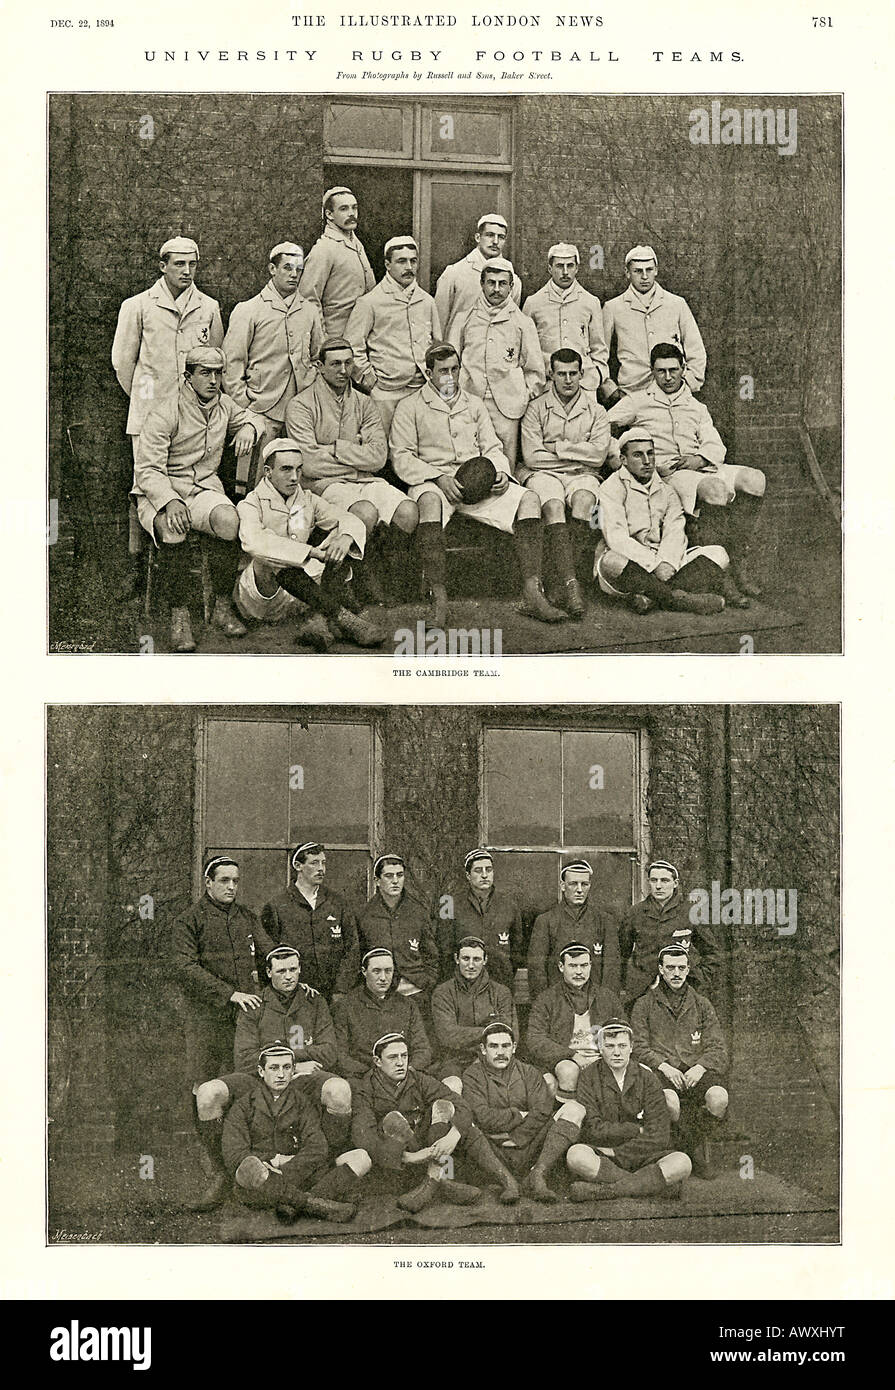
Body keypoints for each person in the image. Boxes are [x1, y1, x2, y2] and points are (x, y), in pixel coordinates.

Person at [390, 342, 567, 628]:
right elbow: (401, 456)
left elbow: (492, 446)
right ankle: (439, 597)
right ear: (428, 372)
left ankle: (533, 591)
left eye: (454, 369)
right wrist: (438, 477)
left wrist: (499, 472)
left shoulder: (473, 404)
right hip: (434, 481)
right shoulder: (409, 407)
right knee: (428, 502)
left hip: (476, 482)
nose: (450, 376)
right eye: (443, 371)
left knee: (529, 499)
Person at [190, 945, 351, 1211]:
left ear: (300, 970)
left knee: (339, 1091)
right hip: (258, 1077)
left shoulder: (314, 1001)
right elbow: (244, 1059)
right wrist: (292, 1063)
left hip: (302, 1077)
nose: (288, 976)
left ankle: (322, 1169)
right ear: (268, 972)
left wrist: (288, 1064)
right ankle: (223, 1173)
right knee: (208, 1093)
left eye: (293, 970)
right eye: (281, 971)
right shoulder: (253, 1005)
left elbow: (330, 1050)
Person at [131, 345, 263, 649]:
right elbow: (147, 469)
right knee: (175, 527)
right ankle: (180, 616)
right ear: (188, 376)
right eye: (205, 372)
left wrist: (248, 429)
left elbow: (256, 419)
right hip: (160, 492)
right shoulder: (166, 411)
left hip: (203, 489)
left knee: (230, 520)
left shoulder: (226, 406)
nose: (213, 380)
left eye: (218, 373)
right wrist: (169, 500)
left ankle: (220, 607)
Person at [607, 344, 766, 595]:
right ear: (652, 372)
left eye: (673, 370)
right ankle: (723, 578)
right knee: (716, 490)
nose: (668, 377)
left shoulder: (695, 405)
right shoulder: (638, 402)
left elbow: (714, 442)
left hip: (703, 464)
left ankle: (738, 563)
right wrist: (622, 459)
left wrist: (700, 459)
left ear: (683, 369)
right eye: (661, 371)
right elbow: (602, 427)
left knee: (755, 480)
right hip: (672, 473)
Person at [172, 854, 275, 1204]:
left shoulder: (247, 917)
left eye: (235, 881)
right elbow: (185, 967)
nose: (231, 887)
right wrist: (229, 994)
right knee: (204, 1088)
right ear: (208, 882)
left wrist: (287, 977)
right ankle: (216, 1170)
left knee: (244, 1086)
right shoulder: (190, 921)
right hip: (206, 1019)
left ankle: (244, 1168)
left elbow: (270, 957)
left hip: (245, 1021)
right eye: (224, 880)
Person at [285, 337, 418, 605]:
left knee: (408, 511)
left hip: (364, 479)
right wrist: (357, 453)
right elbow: (308, 464)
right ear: (319, 366)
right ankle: (357, 581)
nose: (343, 370)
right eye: (335, 364)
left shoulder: (364, 402)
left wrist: (335, 448)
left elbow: (379, 457)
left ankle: (379, 573)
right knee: (365, 511)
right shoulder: (300, 405)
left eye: (348, 363)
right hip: (323, 484)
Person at [234, 438, 384, 649]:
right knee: (273, 553)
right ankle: (343, 617)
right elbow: (254, 542)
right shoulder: (251, 502)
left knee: (340, 535)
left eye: (298, 469)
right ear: (268, 472)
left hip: (304, 593)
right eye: (286, 469)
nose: (294, 477)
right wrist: (313, 552)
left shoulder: (306, 499)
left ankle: (324, 619)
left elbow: (349, 520)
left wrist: (344, 538)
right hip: (265, 597)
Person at [595, 426, 743, 615]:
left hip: (664, 562)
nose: (647, 461)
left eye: (650, 454)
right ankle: (679, 600)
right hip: (633, 564)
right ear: (623, 460)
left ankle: (653, 597)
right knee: (610, 561)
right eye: (638, 455)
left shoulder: (666, 489)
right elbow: (616, 537)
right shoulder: (611, 488)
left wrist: (667, 562)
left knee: (719, 553)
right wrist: (654, 564)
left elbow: (675, 532)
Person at [351, 1032, 503, 1211]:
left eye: (404, 1056)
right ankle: (442, 1182)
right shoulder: (365, 1087)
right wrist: (409, 1157)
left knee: (444, 1105)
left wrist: (452, 1137)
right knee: (393, 1120)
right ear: (377, 1061)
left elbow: (460, 1104)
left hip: (430, 1151)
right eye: (392, 1057)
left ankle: (436, 1179)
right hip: (399, 1162)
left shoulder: (418, 1078)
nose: (400, 1063)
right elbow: (364, 1136)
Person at [221, 1042, 370, 1223]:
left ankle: (293, 1204)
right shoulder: (243, 1106)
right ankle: (312, 1204)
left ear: (293, 1071)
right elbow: (234, 1155)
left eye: (286, 1067)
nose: (281, 1074)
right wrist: (274, 1159)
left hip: (298, 1172)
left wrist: (288, 1171)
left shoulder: (303, 1103)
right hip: (263, 1178)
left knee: (361, 1158)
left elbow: (318, 1147)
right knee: (251, 1168)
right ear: (261, 1072)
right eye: (274, 1068)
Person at [222, 241, 325, 494]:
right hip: (262, 408)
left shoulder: (310, 311)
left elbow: (317, 355)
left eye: (298, 269)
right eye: (287, 268)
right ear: (272, 269)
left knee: (296, 479)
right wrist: (247, 406)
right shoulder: (249, 310)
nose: (293, 274)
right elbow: (231, 364)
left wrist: (309, 389)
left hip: (299, 410)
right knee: (255, 482)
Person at [519, 346, 613, 615]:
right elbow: (532, 457)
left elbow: (597, 457)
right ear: (551, 374)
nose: (568, 380)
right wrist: (575, 454)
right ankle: (568, 584)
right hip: (543, 474)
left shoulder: (596, 411)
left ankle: (568, 582)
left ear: (582, 374)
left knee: (585, 502)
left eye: (573, 373)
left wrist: (556, 447)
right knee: (552, 506)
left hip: (583, 475)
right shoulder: (536, 408)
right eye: (562, 374)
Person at [112, 235, 223, 456]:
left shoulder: (209, 307)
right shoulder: (138, 306)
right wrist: (147, 396)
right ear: (163, 266)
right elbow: (123, 364)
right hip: (149, 412)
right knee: (148, 481)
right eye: (179, 264)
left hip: (192, 415)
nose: (187, 271)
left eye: (192, 264)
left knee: (188, 482)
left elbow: (214, 359)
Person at [630, 945, 729, 1178]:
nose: (676, 973)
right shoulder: (644, 1004)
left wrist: (700, 1066)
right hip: (660, 1071)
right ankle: (689, 1155)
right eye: (671, 968)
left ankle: (686, 1149)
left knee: (718, 1097)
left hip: (695, 1070)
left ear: (688, 970)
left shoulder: (702, 1004)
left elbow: (718, 1048)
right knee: (670, 1101)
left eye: (681, 968)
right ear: (661, 970)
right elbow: (638, 1047)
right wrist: (663, 1065)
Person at [566, 1019, 692, 1200]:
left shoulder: (647, 1078)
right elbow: (593, 1129)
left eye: (622, 1045)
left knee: (682, 1162)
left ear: (631, 1047)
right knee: (576, 1155)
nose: (617, 1052)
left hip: (642, 1155)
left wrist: (619, 1152)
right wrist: (634, 1129)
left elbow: (659, 1135)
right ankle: (652, 1188)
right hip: (604, 1155)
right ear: (600, 1048)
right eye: (609, 1046)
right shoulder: (588, 1077)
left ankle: (608, 1191)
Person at [461, 1023, 582, 1203]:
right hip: (492, 1148)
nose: (500, 1052)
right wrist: (518, 1114)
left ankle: (538, 1174)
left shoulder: (529, 1072)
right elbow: (482, 1116)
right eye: (493, 1046)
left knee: (574, 1109)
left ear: (514, 1047)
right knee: (463, 1123)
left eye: (506, 1046)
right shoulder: (472, 1075)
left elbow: (541, 1111)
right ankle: (506, 1180)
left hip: (529, 1145)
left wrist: (519, 1136)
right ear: (483, 1049)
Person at [447, 258, 545, 470]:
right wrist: (453, 396)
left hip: (507, 408)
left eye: (502, 284)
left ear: (511, 287)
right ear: (482, 284)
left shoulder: (522, 322)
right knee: (468, 457)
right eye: (491, 283)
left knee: (504, 464)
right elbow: (449, 362)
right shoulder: (464, 318)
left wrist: (521, 395)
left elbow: (535, 371)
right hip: (469, 401)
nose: (496, 289)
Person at [344, 236, 441, 436]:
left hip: (421, 389)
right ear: (387, 265)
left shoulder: (427, 301)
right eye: (401, 261)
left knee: (420, 446)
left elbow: (436, 344)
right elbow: (352, 347)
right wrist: (370, 381)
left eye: (413, 261)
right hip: (386, 392)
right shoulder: (370, 302)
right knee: (384, 453)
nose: (409, 267)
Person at [601, 244, 706, 398]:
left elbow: (696, 349)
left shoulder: (676, 304)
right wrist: (610, 389)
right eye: (638, 271)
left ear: (656, 270)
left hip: (673, 392)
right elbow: (599, 352)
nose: (644, 276)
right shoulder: (613, 307)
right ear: (627, 273)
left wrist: (688, 383)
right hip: (632, 392)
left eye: (649, 270)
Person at [261, 840, 361, 1000]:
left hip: (334, 995)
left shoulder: (338, 903)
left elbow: (353, 948)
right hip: (295, 994)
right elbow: (269, 954)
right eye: (314, 863)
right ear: (298, 866)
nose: (321, 869)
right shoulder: (277, 906)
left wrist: (341, 989)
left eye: (323, 863)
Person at [526, 942, 624, 1102]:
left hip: (602, 1058)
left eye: (584, 965)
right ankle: (568, 1119)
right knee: (568, 1070)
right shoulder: (547, 999)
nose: (579, 972)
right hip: (564, 1059)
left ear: (591, 966)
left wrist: (609, 1054)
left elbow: (623, 1032)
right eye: (572, 966)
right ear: (561, 966)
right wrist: (572, 1055)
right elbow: (534, 1039)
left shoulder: (606, 996)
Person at [620, 860, 723, 1004]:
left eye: (665, 880)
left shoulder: (690, 912)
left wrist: (698, 978)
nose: (659, 886)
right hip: (643, 992)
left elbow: (712, 952)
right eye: (654, 880)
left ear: (675, 883)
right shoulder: (635, 913)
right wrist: (632, 982)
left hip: (681, 991)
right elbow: (621, 954)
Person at [431, 936, 519, 1089]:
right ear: (456, 959)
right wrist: (488, 1031)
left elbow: (510, 1033)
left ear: (485, 960)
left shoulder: (501, 992)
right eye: (465, 958)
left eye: (477, 959)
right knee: (452, 1086)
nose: (471, 965)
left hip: (494, 1057)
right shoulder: (443, 992)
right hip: (455, 1060)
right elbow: (447, 1035)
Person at [332, 949, 434, 1079]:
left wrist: (407, 1071)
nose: (383, 978)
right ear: (364, 971)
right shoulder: (345, 1006)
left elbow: (422, 1049)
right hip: (364, 1079)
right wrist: (373, 1075)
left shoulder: (408, 1005)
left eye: (388, 971)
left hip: (405, 1077)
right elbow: (340, 1055)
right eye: (376, 971)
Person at [522, 242, 610, 393]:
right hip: (546, 385)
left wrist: (597, 376)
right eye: (559, 266)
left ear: (577, 268)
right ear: (550, 268)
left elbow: (599, 348)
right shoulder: (534, 303)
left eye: (570, 266)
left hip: (584, 384)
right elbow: (524, 349)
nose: (565, 272)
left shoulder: (590, 302)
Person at [527, 859, 621, 998]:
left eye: (584, 884)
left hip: (594, 1002)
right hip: (557, 1003)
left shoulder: (605, 921)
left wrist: (605, 1005)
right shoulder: (545, 921)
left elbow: (611, 970)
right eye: (573, 884)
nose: (579, 890)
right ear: (563, 886)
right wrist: (545, 1005)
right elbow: (537, 970)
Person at [356, 854, 439, 1001]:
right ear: (377, 881)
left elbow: (431, 955)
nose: (395, 881)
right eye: (388, 876)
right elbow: (357, 956)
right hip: (379, 994)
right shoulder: (365, 915)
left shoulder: (418, 912)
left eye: (399, 875)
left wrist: (428, 982)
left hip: (416, 991)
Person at [436, 848, 521, 988]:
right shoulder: (448, 903)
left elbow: (517, 948)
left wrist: (504, 971)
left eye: (488, 870)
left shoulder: (509, 904)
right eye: (478, 870)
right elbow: (444, 947)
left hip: (499, 982)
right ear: (468, 875)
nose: (484, 875)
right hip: (462, 984)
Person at [298, 186, 376, 337]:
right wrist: (324, 341)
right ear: (329, 214)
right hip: (337, 339)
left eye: (354, 208)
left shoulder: (357, 245)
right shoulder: (324, 249)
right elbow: (308, 299)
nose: (352, 214)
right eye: (344, 209)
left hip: (361, 335)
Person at [434, 213, 522, 337]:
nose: (495, 242)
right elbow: (439, 323)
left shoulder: (514, 280)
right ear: (477, 237)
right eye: (490, 235)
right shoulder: (454, 273)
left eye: (501, 237)